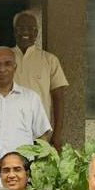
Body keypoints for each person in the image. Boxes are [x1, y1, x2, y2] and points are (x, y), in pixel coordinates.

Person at [12, 12, 68, 150]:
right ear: (14, 31)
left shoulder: (49, 60)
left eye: (30, 28)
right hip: (10, 130)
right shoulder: (5, 58)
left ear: (36, 33)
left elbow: (58, 98)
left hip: (40, 135)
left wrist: (57, 134)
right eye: (20, 27)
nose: (25, 31)